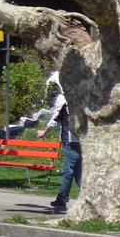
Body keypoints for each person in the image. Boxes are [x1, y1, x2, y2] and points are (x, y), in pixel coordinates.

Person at [39, 71, 82, 212]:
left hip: (70, 139)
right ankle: (63, 198)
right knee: (77, 169)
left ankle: (64, 199)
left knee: (70, 170)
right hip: (81, 139)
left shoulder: (62, 99)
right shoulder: (81, 97)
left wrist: (44, 132)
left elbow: (55, 119)